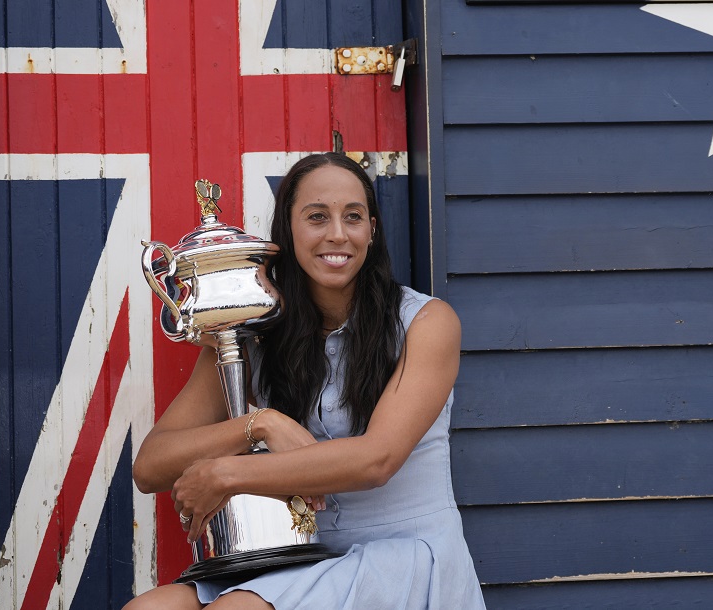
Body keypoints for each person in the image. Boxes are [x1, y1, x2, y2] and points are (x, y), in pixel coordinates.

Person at [124, 152, 487, 609]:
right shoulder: (254, 331)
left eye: (353, 217)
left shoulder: (426, 323)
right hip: (295, 558)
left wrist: (227, 472)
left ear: (372, 231)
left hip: (404, 557)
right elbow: (150, 466)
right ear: (288, 232)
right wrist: (260, 424)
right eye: (317, 217)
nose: (337, 233)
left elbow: (377, 460)